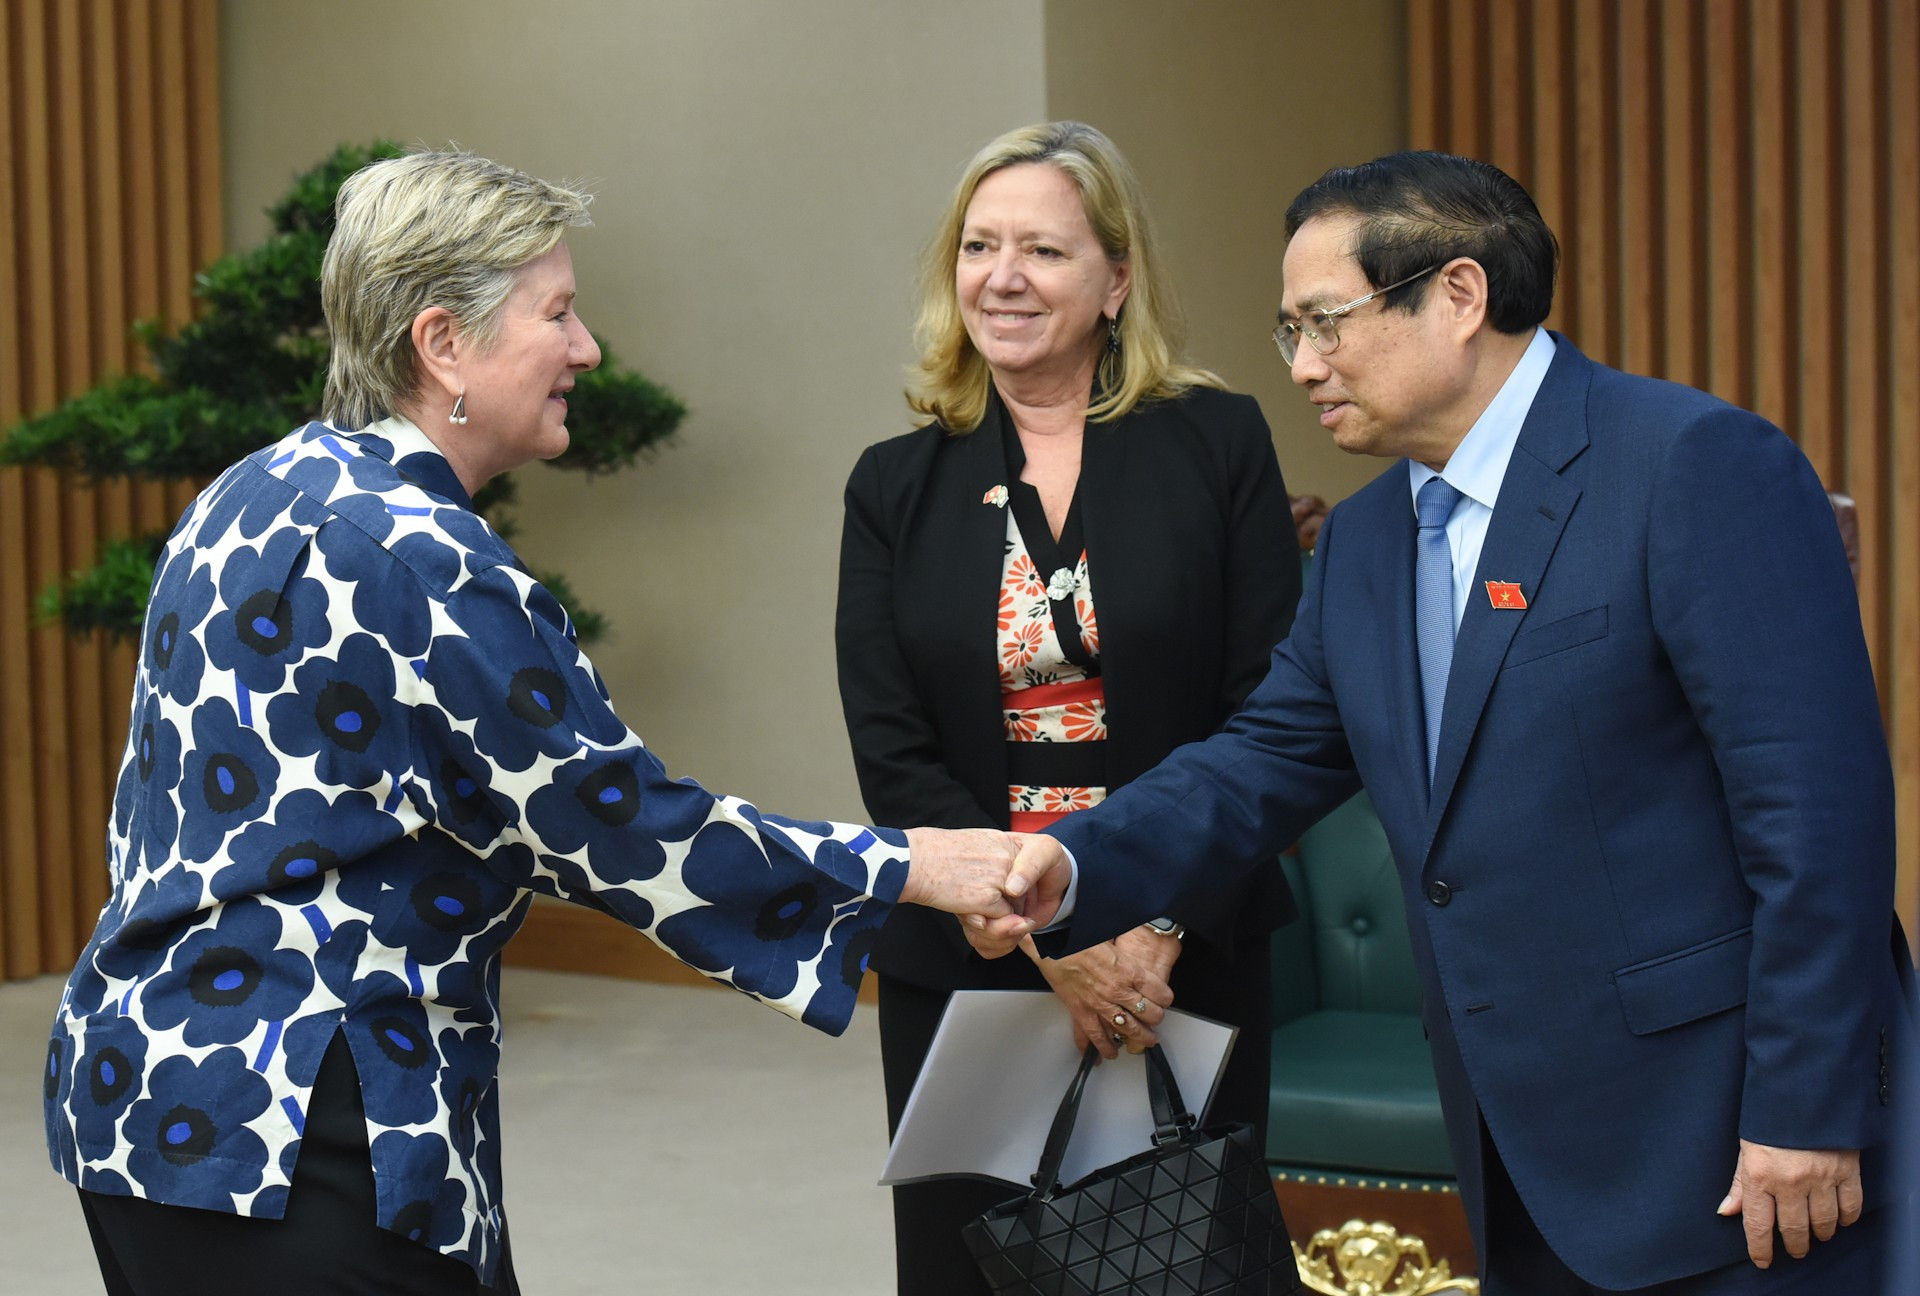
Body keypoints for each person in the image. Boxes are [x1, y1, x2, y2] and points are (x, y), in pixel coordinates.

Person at [42, 148, 1023, 1296]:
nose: (586, 346)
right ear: (442, 343)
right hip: (304, 1118)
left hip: (136, 1099)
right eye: (556, 312)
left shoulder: (246, 491)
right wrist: (915, 867)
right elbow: (618, 825)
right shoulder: (423, 558)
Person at [984, 150, 1911, 1294]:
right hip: (1511, 1138)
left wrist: (1807, 1110)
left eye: (1325, 323)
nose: (1305, 366)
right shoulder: (1372, 540)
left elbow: (1818, 823)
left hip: (1729, 1139)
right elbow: (1260, 762)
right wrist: (1057, 867)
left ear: (1459, 296)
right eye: (1290, 333)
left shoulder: (1692, 467)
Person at [834, 120, 1301, 1293]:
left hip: (1178, 953)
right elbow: (891, 747)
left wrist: (1148, 928)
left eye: (1042, 249)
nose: (1003, 276)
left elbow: (1271, 708)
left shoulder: (1217, 442)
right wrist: (1060, 945)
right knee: (975, 1271)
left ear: (1117, 278)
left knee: (1183, 1268)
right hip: (980, 957)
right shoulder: (895, 483)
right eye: (979, 246)